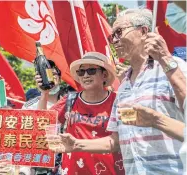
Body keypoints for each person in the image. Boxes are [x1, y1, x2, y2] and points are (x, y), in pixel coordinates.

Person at [46, 8, 187, 175]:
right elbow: (115, 141)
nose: (114, 40)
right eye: (112, 36)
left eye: (119, 32)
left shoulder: (172, 67)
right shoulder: (124, 86)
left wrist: (165, 59)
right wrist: (76, 144)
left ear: (143, 31)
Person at [37, 52, 124, 175]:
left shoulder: (118, 101)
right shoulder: (69, 100)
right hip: (73, 170)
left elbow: (119, 140)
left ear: (104, 75)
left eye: (92, 70)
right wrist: (44, 94)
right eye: (81, 72)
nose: (86, 75)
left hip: (111, 170)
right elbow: (42, 124)